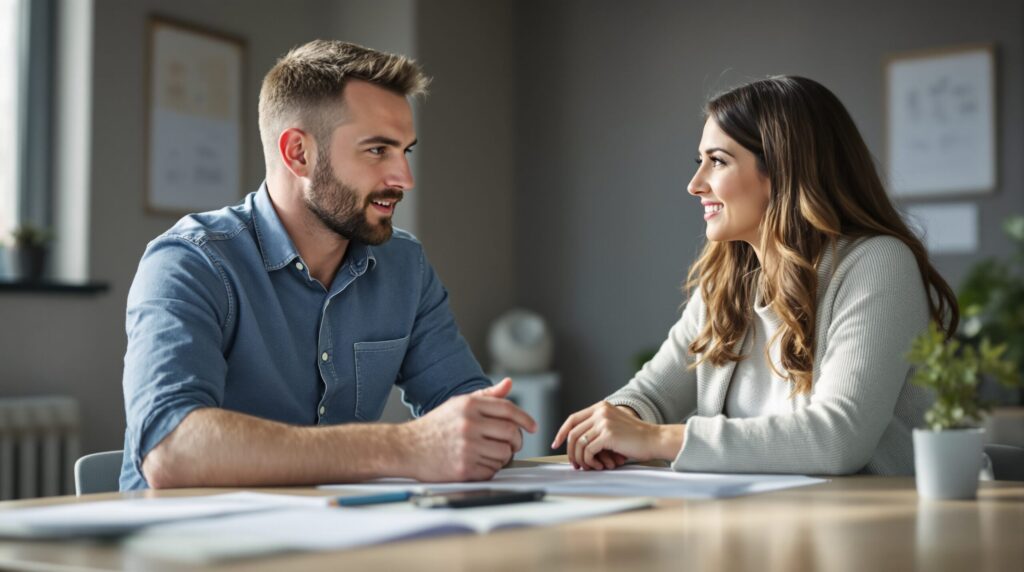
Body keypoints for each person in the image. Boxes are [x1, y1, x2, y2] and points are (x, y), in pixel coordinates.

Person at [120, 40, 536, 491]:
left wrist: (486, 431)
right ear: (298, 153)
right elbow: (171, 451)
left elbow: (474, 418)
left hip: (340, 538)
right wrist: (402, 447)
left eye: (405, 151)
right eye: (378, 150)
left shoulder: (404, 266)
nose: (404, 179)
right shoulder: (190, 263)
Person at [552, 76, 958, 476]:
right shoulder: (726, 282)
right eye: (701, 162)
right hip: (764, 521)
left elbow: (838, 439)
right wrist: (618, 422)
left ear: (783, 172)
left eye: (718, 161)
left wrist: (655, 439)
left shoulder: (877, 263)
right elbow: (653, 394)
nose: (695, 185)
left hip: (877, 529)